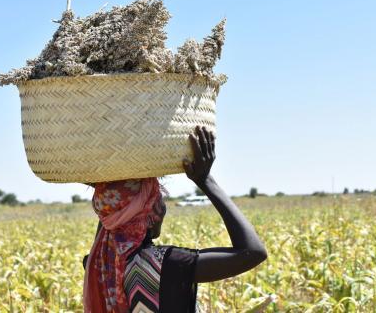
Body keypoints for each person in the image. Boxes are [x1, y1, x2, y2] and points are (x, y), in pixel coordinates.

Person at [83, 126, 267, 313]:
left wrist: (105, 176)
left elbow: (112, 218)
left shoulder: (98, 266)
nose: (164, 210)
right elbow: (252, 252)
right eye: (160, 201)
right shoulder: (164, 265)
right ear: (150, 215)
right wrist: (205, 181)